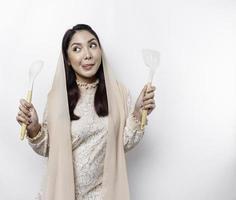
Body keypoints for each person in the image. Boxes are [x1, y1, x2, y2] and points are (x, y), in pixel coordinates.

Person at [16, 24, 156, 200]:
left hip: (103, 194)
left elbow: (124, 143)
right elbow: (48, 149)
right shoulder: (58, 98)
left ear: (100, 50)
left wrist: (137, 112)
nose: (87, 55)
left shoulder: (118, 93)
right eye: (77, 49)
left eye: (92, 45)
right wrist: (34, 127)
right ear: (67, 59)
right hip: (60, 193)